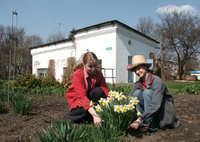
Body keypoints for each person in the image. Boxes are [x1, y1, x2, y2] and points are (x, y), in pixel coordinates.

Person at [127, 55, 180, 131]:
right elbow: (130, 97)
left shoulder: (157, 81)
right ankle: (144, 122)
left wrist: (140, 119)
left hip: (164, 110)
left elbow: (156, 104)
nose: (137, 72)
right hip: (150, 112)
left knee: (147, 92)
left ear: (146, 67)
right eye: (135, 70)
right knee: (136, 94)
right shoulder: (139, 83)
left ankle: (153, 123)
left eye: (139, 68)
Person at [63, 52, 109, 124]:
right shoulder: (78, 74)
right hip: (79, 99)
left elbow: (104, 89)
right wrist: (95, 114)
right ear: (83, 64)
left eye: (95, 66)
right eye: (90, 66)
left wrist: (109, 102)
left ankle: (90, 116)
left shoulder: (99, 74)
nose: (93, 69)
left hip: (90, 98)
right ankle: (70, 117)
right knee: (84, 110)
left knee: (99, 91)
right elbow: (81, 96)